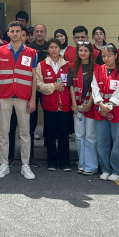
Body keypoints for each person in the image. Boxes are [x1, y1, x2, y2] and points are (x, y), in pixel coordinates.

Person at [0, 21, 37, 180]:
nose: (15, 33)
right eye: (12, 31)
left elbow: (34, 77)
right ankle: (4, 164)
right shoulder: (0, 51)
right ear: (8, 33)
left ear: (21, 33)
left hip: (23, 97)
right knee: (4, 132)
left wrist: (33, 99)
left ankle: (25, 165)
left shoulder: (31, 52)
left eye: (18, 31)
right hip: (4, 96)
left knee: (25, 133)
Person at [92, 44, 119, 182]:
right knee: (102, 141)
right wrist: (100, 103)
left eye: (109, 55)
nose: (106, 58)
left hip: (118, 112)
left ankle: (118, 171)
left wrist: (109, 104)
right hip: (101, 111)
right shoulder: (97, 70)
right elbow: (94, 88)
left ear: (115, 56)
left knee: (118, 143)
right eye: (104, 56)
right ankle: (106, 169)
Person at [36, 39, 72, 171]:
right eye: (51, 47)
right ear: (48, 49)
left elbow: (71, 85)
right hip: (49, 104)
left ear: (60, 49)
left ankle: (64, 162)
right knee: (50, 134)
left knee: (64, 135)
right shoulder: (41, 65)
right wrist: (53, 86)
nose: (54, 49)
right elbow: (38, 84)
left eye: (56, 47)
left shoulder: (68, 65)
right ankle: (51, 160)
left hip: (64, 105)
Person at [69, 41, 98, 175]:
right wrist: (74, 103)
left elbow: (96, 88)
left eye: (86, 50)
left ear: (90, 53)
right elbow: (71, 86)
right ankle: (82, 163)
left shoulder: (96, 68)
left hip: (90, 106)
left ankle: (91, 166)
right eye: (80, 50)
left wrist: (90, 103)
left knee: (90, 135)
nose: (83, 53)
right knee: (79, 135)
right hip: (77, 105)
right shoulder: (73, 66)